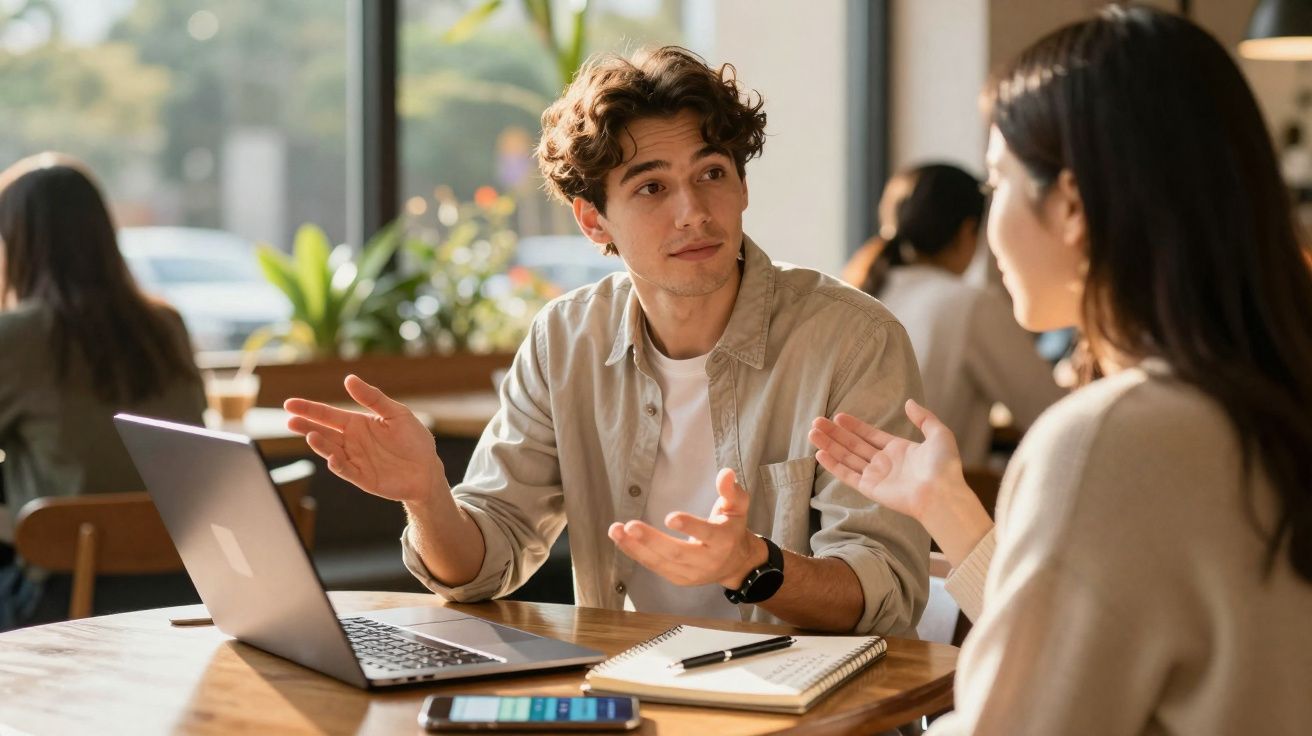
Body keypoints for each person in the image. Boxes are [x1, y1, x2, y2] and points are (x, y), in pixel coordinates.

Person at [285, 46, 930, 635]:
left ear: (741, 184)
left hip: (812, 709)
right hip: (627, 694)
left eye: (711, 173)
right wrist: (427, 495)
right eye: (652, 187)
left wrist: (753, 565)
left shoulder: (852, 339)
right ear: (595, 221)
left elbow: (889, 589)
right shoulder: (564, 338)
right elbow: (488, 562)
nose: (693, 212)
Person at [812, 6, 1312, 732]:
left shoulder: (1113, 436)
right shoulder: (1262, 399)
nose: (989, 225)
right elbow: (1094, 649)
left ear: (1071, 203)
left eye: (997, 184)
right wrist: (946, 505)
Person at [0, 153, 206, 628]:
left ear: (17, 245)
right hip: (184, 592)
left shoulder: (18, 337)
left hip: (68, 601)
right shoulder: (165, 325)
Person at [850, 163, 1063, 466]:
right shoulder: (968, 305)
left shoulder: (862, 292)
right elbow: (1051, 412)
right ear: (968, 231)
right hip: (925, 506)